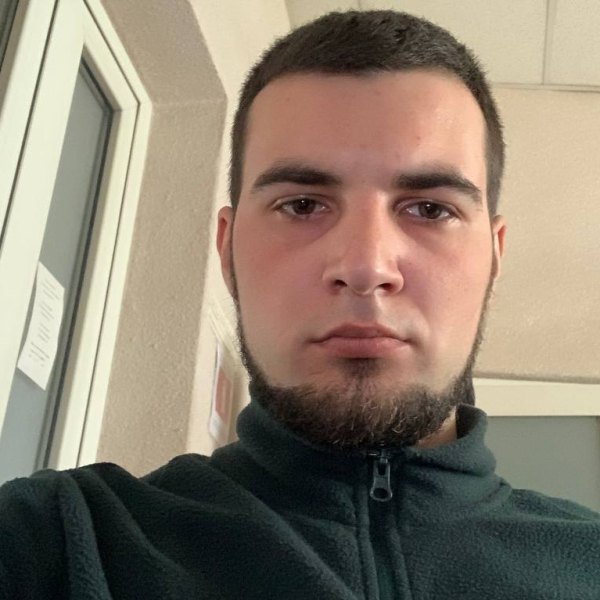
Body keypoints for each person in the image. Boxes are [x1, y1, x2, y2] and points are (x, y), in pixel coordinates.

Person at [1, 9, 599, 600]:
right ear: (227, 249)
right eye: (303, 205)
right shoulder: (59, 541)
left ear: (494, 256)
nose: (365, 268)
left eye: (430, 209)